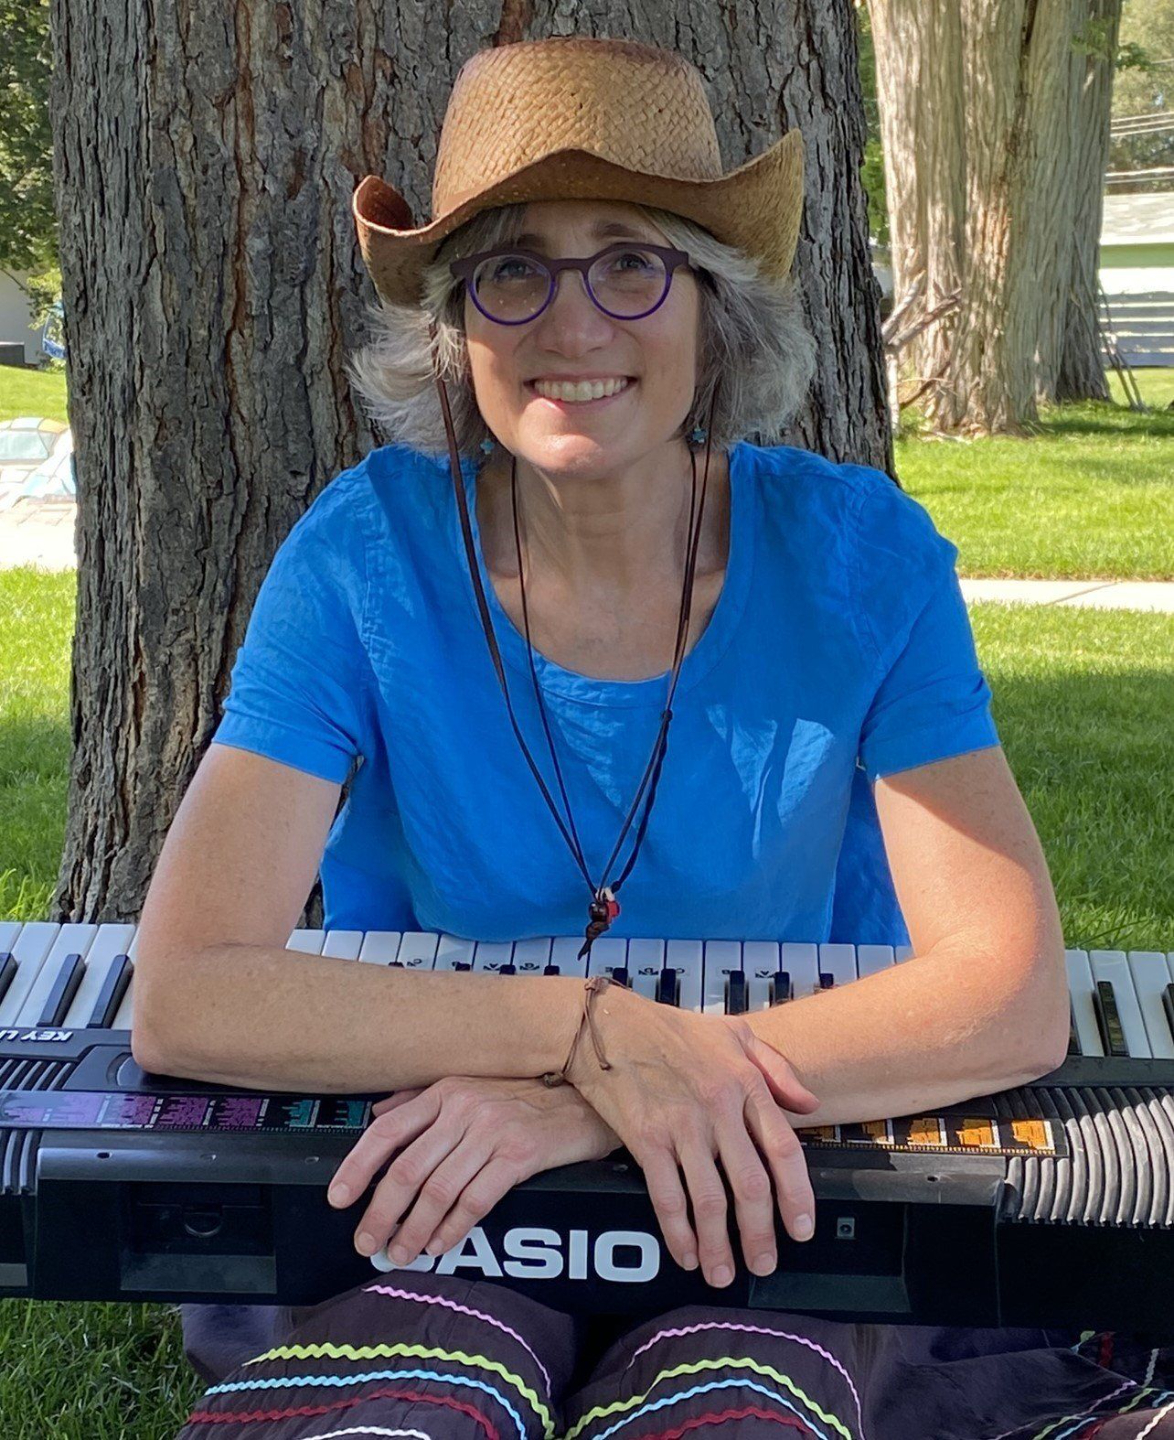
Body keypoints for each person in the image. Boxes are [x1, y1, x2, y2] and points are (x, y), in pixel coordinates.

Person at [136, 34, 1174, 1440]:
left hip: (784, 1144)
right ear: (454, 326)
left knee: (741, 1392)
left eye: (631, 263)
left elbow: (1006, 992)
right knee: (408, 1391)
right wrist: (585, 1033)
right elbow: (189, 987)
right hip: (448, 1152)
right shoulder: (359, 558)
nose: (572, 329)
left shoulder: (860, 561)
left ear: (713, 308)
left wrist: (600, 1099)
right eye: (513, 271)